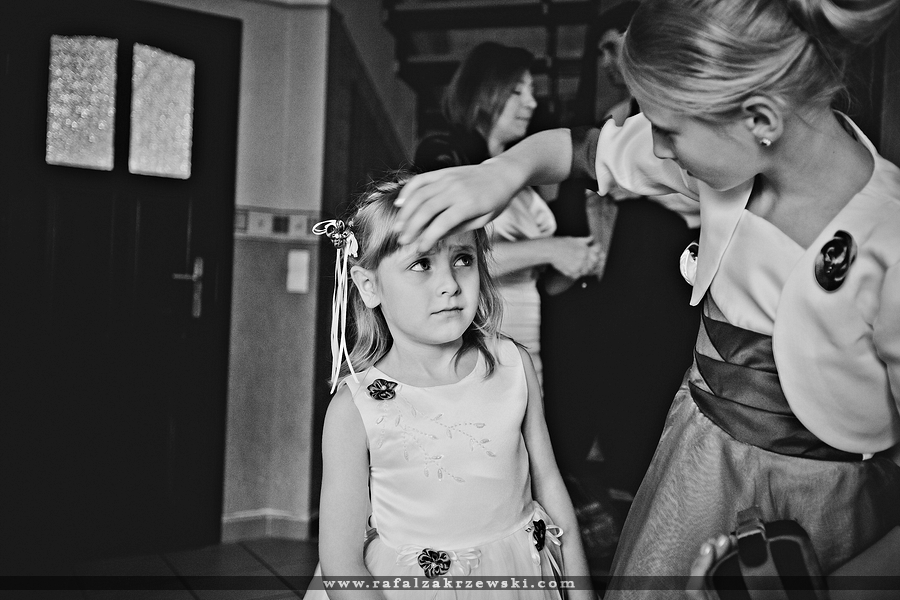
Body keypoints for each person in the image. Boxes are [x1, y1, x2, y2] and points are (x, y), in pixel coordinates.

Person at [391, 0, 900, 597]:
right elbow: (580, 150)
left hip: (828, 519)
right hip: (697, 470)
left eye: (667, 130)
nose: (655, 148)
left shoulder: (889, 245)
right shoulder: (728, 154)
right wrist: (499, 173)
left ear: (759, 118)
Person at [306, 173, 595, 600]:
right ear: (369, 286)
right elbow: (341, 562)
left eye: (462, 259)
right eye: (421, 264)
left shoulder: (512, 365)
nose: (450, 284)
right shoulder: (356, 408)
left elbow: (549, 482)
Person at [541, 0, 701, 498]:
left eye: (615, 47)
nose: (609, 62)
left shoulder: (676, 119)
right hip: (608, 289)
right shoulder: (611, 121)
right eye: (602, 52)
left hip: (664, 284)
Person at [414, 41, 603, 385]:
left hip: (527, 346)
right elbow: (441, 258)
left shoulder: (521, 177)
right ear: (484, 93)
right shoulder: (444, 157)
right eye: (518, 91)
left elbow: (536, 277)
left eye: (531, 91)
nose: (531, 102)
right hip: (474, 348)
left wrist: (578, 261)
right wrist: (551, 249)